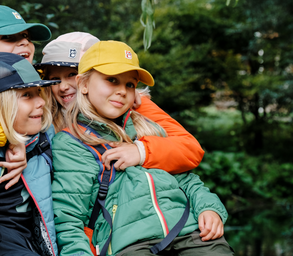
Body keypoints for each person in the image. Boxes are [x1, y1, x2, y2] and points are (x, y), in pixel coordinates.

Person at [51, 40, 234, 256]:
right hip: (128, 243)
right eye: (112, 80)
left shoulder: (147, 126)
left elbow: (187, 180)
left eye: (130, 84)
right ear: (83, 84)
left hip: (188, 230)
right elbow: (68, 217)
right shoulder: (72, 142)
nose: (122, 91)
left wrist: (210, 208)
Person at [35, 32, 204, 173]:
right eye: (54, 79)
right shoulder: (44, 112)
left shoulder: (132, 104)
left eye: (72, 74)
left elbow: (190, 149)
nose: (64, 86)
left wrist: (141, 150)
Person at [0, 5, 52, 254]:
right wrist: (7, 134)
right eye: (10, 38)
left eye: (27, 38)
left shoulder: (38, 98)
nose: (24, 45)